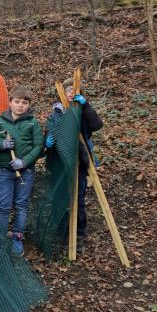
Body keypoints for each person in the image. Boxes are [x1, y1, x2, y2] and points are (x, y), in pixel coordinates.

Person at [46, 79, 103, 254]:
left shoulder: (83, 111)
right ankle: (60, 233)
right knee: (60, 198)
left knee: (78, 198)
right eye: (68, 90)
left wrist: (86, 107)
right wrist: (46, 143)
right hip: (60, 163)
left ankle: (78, 233)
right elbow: (49, 132)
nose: (70, 93)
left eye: (74, 90)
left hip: (79, 161)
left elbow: (96, 125)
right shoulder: (57, 112)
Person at [0, 87, 44, 255]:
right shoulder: (0, 122)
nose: (20, 106)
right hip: (4, 171)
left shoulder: (33, 123)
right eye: (17, 102)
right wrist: (1, 145)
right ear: (10, 102)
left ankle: (17, 238)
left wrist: (24, 162)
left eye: (24, 103)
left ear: (29, 105)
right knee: (3, 206)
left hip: (25, 172)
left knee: (21, 205)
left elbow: (38, 146)